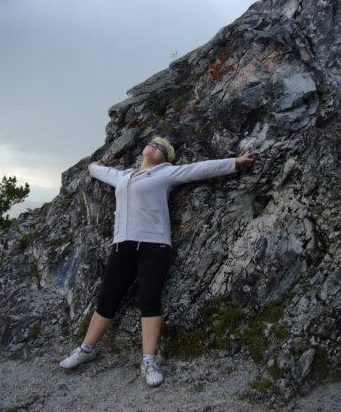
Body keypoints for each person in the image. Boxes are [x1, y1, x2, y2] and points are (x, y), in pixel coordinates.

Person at [59, 136, 255, 387]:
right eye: (152, 143)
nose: (155, 146)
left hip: (155, 246)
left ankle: (149, 361)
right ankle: (86, 350)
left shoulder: (166, 173)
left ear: (166, 157)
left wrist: (235, 162)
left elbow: (200, 169)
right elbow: (104, 172)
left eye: (161, 147)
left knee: (149, 300)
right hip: (122, 246)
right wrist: (93, 167)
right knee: (107, 299)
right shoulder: (124, 176)